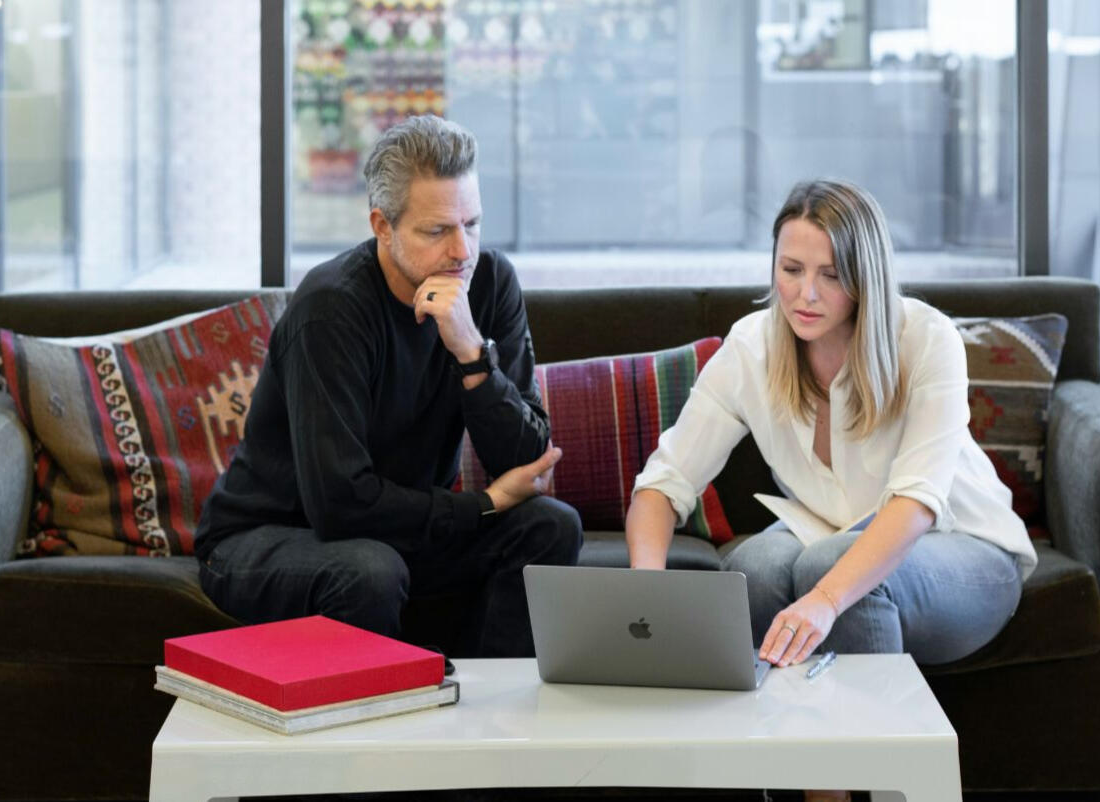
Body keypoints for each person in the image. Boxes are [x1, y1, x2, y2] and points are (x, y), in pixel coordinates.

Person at [626, 179, 1036, 799]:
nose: (805, 294)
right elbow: (662, 485)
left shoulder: (926, 339)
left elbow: (916, 503)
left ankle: (876, 788)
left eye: (831, 275)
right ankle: (795, 788)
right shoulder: (752, 347)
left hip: (970, 549)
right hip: (831, 534)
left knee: (829, 565)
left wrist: (824, 598)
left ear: (866, 277)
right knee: (754, 567)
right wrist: (646, 593)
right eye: (791, 270)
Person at [194, 115, 582, 657]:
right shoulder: (331, 309)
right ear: (382, 226)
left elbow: (526, 460)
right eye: (437, 231)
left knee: (551, 528)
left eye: (472, 224)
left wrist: (471, 354)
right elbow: (339, 504)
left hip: (398, 534)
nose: (462, 251)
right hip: (266, 538)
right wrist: (483, 505)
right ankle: (395, 711)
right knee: (370, 571)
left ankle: (483, 702)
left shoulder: (489, 282)